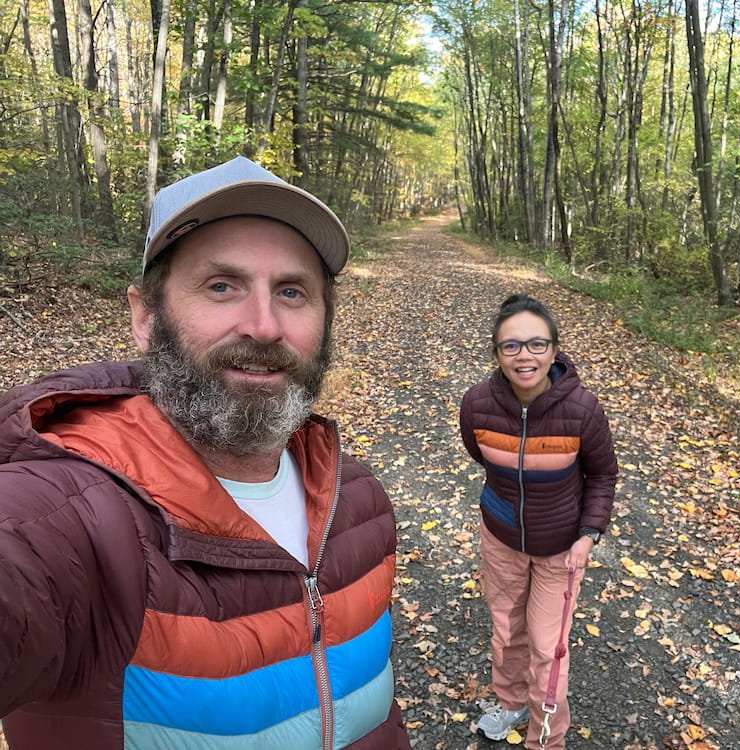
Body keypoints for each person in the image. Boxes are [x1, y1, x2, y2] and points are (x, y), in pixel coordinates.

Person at [0, 156, 411, 749]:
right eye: (222, 286)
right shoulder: (77, 520)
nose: (264, 326)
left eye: (292, 292)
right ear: (145, 317)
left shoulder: (358, 499)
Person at [459, 294, 618, 749]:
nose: (524, 356)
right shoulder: (476, 404)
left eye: (535, 344)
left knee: (548, 649)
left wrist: (589, 534)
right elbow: (481, 456)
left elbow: (603, 473)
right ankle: (509, 703)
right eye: (511, 346)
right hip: (501, 537)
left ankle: (545, 738)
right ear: (496, 353)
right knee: (507, 631)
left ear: (553, 350)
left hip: (562, 549)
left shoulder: (582, 409)